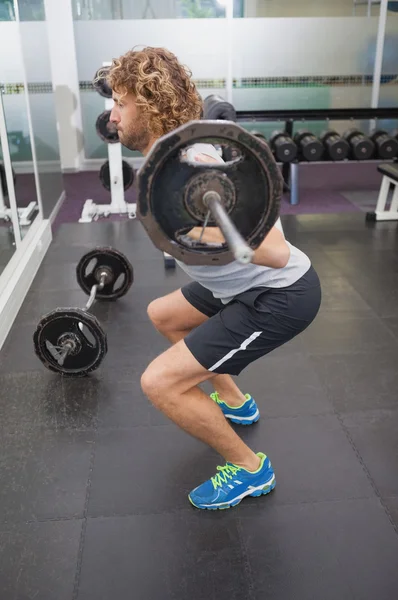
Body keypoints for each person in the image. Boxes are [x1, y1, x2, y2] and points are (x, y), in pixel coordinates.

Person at [104, 46, 322, 510]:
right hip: (237, 285)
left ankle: (249, 470)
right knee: (163, 314)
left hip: (277, 296)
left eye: (121, 103)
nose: (112, 115)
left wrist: (202, 225)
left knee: (160, 383)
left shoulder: (196, 165)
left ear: (150, 106)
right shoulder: (169, 153)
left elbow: (277, 253)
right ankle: (236, 402)